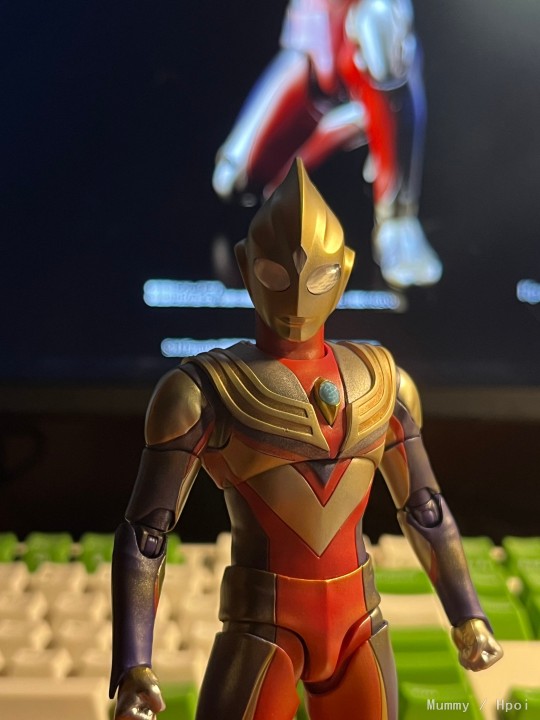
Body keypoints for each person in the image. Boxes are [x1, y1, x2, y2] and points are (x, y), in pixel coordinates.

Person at [111, 160, 501, 720]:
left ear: (344, 272)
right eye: (275, 275)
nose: (296, 300)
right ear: (245, 267)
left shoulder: (385, 382)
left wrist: (468, 615)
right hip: (263, 626)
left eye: (317, 278)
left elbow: (425, 509)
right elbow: (146, 534)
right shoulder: (203, 391)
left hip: (359, 622)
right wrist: (134, 664)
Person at [212, 0, 442, 288]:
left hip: (362, 31)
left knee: (379, 27)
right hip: (313, 38)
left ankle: (397, 221)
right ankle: (354, 122)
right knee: (231, 179)